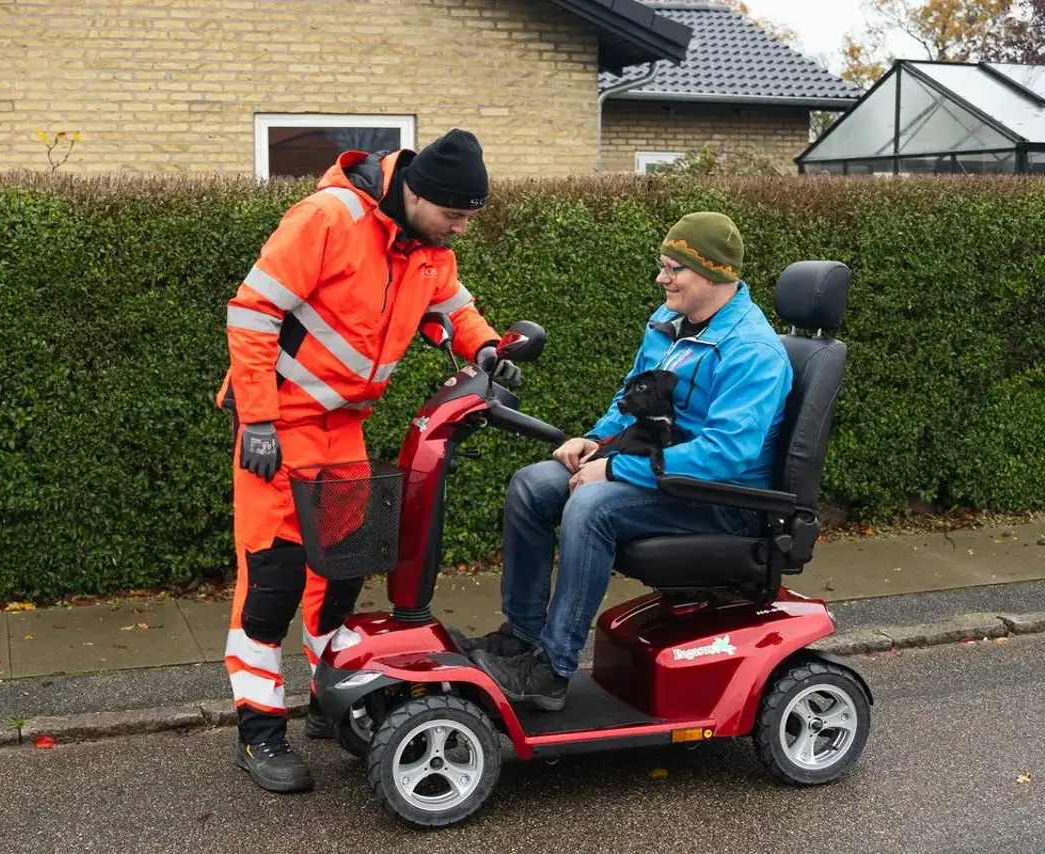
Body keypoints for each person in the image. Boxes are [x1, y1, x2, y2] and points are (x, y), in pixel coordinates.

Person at [217, 129, 522, 792]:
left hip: (344, 431)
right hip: (281, 425)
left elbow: (452, 310)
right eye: (455, 216)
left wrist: (488, 349)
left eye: (471, 218)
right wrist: (260, 419)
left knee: (343, 573)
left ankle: (331, 699)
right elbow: (252, 313)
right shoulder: (327, 219)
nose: (461, 230)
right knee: (273, 583)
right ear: (416, 193)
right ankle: (259, 734)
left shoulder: (429, 247)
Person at [453, 212, 794, 712]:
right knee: (532, 485)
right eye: (662, 266)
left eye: (673, 268)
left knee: (592, 505)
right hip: (661, 474)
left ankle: (552, 669)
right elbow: (632, 401)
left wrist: (613, 470)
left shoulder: (752, 351)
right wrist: (596, 440)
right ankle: (522, 637)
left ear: (714, 274)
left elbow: (725, 455)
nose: (662, 278)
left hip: (721, 499)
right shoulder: (668, 326)